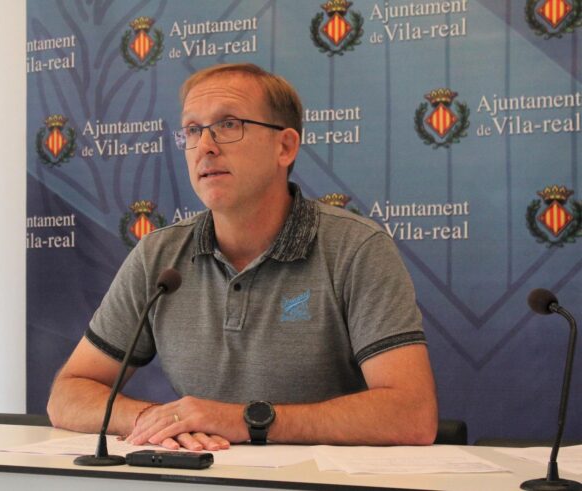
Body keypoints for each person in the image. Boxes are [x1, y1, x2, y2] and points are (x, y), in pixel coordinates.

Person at [47, 63, 438, 451]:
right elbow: (68, 393)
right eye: (192, 130)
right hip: (203, 474)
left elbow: (412, 415)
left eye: (229, 124)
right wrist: (152, 419)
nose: (206, 146)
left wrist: (245, 420)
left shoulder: (356, 248)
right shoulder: (159, 256)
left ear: (285, 147)